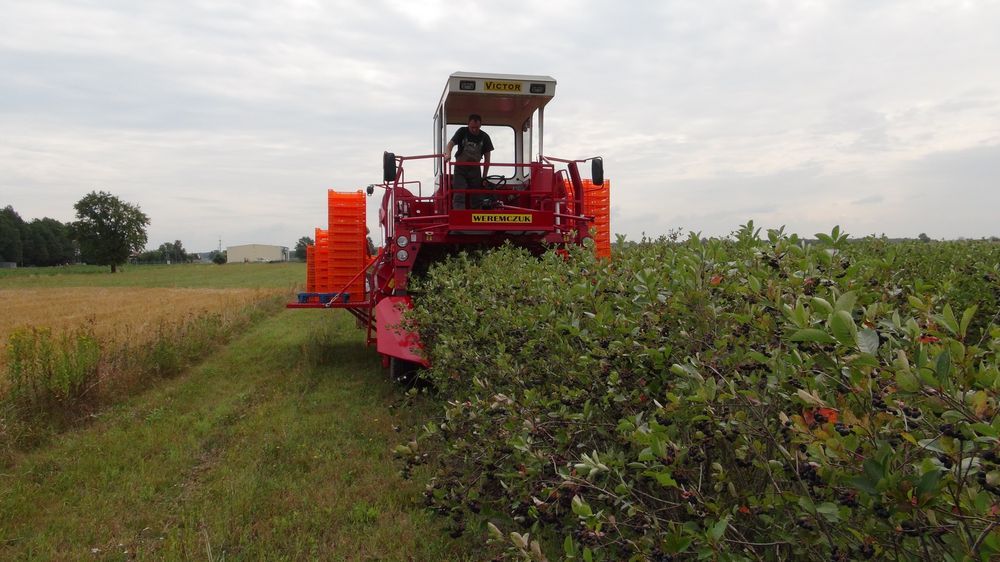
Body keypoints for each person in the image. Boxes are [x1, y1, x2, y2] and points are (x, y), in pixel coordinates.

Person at [444, 113, 494, 209]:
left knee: (477, 195)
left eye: (477, 127)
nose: (474, 129)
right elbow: (450, 144)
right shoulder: (462, 131)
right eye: (472, 127)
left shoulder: (485, 137)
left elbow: (487, 159)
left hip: (475, 169)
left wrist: (484, 177)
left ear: (480, 125)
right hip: (460, 168)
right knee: (459, 192)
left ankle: (476, 217)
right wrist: (448, 154)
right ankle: (459, 216)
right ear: (468, 124)